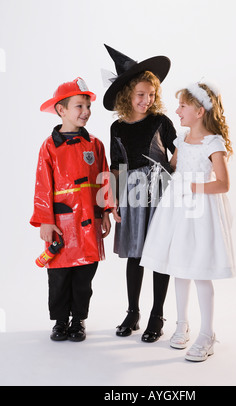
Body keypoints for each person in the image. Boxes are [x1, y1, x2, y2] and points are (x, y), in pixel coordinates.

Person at [140, 81, 236, 361]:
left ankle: (207, 333)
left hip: (200, 211)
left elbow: (223, 184)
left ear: (199, 110)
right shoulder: (182, 139)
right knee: (179, 267)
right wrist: (155, 171)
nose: (177, 110)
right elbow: (172, 168)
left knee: (200, 271)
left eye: (182, 105)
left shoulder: (213, 143)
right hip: (176, 210)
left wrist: (193, 187)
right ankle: (182, 324)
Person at [30, 77, 115, 342]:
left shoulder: (95, 144)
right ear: (61, 110)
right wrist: (45, 220)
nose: (86, 111)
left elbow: (104, 179)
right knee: (58, 275)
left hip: (89, 221)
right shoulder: (49, 146)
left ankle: (78, 320)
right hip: (61, 223)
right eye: (79, 106)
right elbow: (43, 184)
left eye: (88, 106)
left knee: (84, 276)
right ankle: (59, 321)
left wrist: (104, 213)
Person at [102, 45, 177, 343]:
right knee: (135, 254)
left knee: (158, 254)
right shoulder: (117, 128)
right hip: (132, 196)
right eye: (141, 95)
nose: (147, 100)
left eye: (151, 95)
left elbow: (180, 149)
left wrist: (171, 169)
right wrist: (114, 199)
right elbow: (116, 165)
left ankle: (157, 314)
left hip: (159, 193)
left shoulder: (161, 122)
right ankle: (132, 311)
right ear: (127, 97)